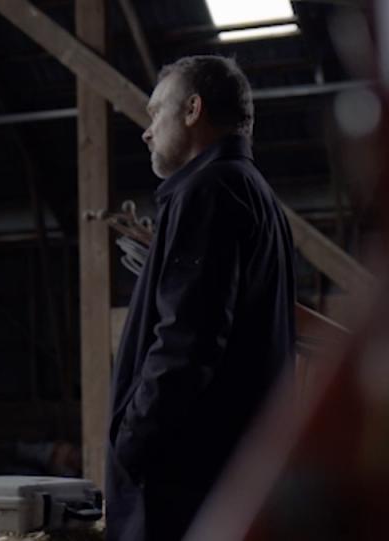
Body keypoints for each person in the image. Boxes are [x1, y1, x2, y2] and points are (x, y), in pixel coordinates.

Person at [106, 56, 296, 541]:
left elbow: (186, 340)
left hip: (183, 482)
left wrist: (132, 443)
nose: (147, 132)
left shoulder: (209, 190)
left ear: (192, 109)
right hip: (226, 475)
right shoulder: (256, 193)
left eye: (155, 113)